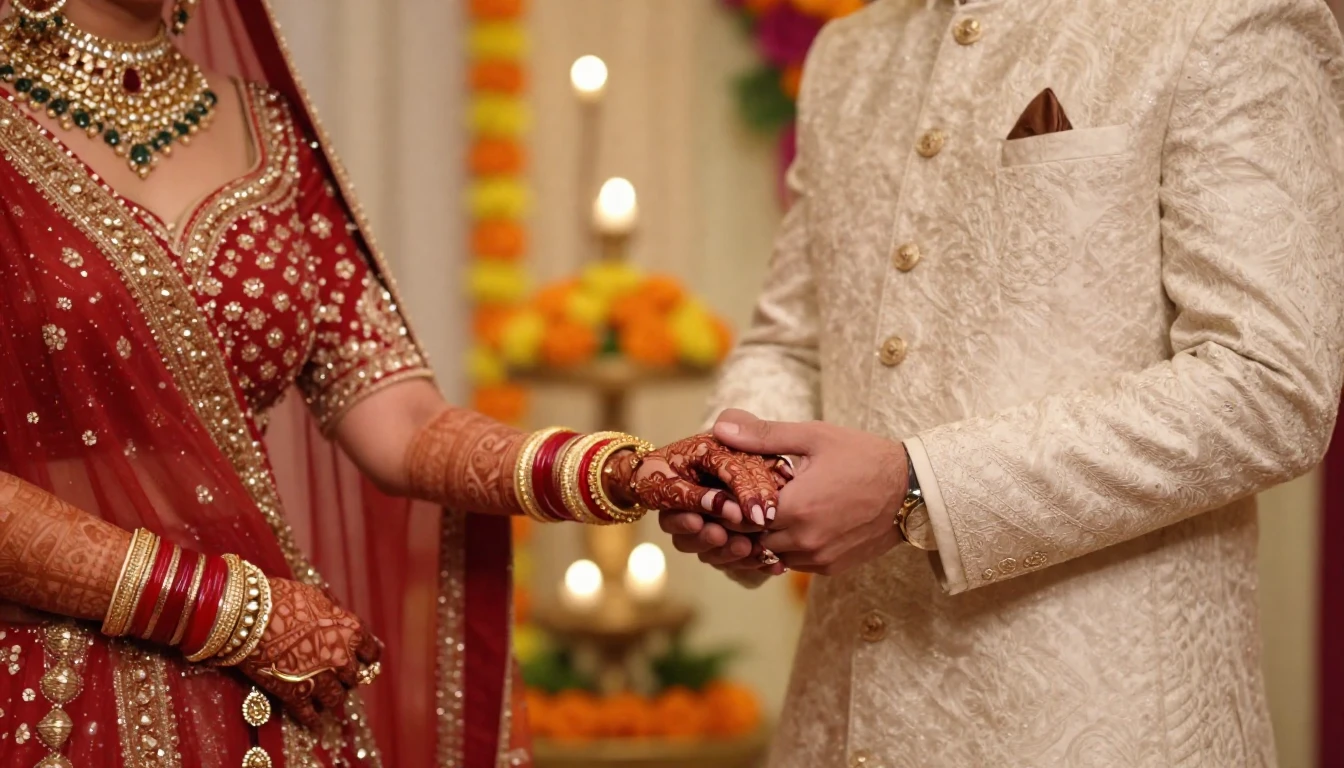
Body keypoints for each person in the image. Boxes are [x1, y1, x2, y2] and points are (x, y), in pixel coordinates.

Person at [0, 1, 781, 766]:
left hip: (267, 693)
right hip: (50, 689)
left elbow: (401, 418)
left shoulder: (267, 133)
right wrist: (230, 609)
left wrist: (627, 471)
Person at [661, 0, 1344, 765]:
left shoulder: (1221, 18)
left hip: (1102, 721)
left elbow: (1271, 386)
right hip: (843, 718)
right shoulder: (849, 54)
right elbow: (791, 342)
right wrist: (742, 479)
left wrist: (918, 485)